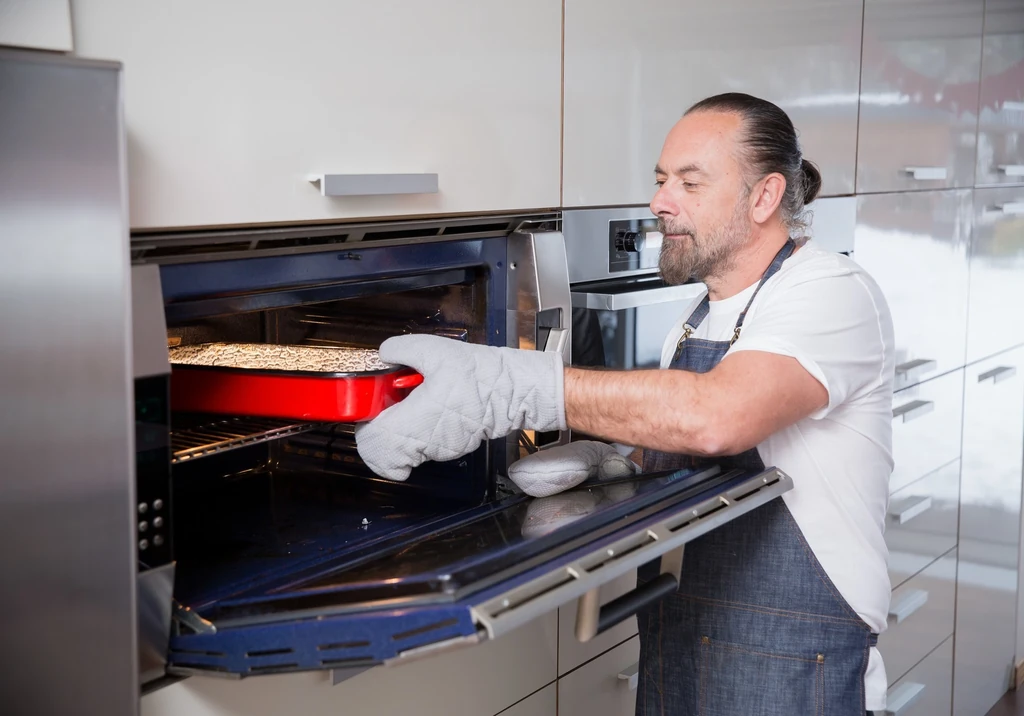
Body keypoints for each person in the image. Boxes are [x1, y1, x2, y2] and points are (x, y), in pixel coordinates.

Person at [355, 92, 895, 716]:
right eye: (661, 180)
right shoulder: (699, 316)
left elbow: (717, 417)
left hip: (796, 662)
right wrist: (620, 460)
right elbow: (696, 435)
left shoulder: (830, 291)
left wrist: (513, 386)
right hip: (686, 643)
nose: (660, 202)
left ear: (765, 196)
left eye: (690, 182)